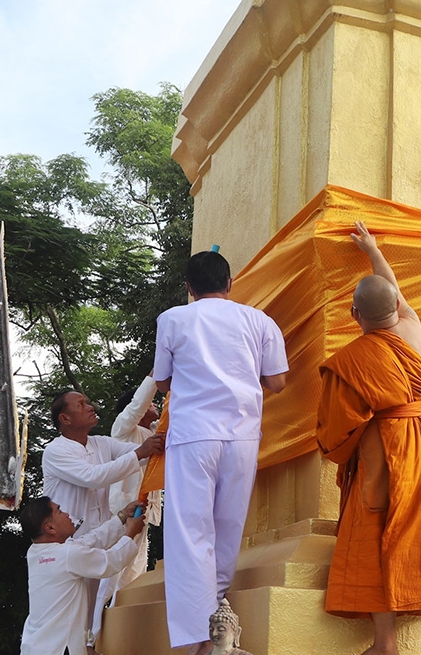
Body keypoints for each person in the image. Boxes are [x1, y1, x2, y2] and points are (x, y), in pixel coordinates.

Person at [316, 222, 421, 655]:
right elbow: (394, 292)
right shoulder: (412, 330)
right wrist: (373, 251)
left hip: (383, 447)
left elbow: (339, 427)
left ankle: (385, 644)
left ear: (354, 314)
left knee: (376, 531)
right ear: (397, 308)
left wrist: (340, 447)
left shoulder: (353, 358)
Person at [154, 250, 289, 655]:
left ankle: (196, 637)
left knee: (190, 534)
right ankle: (217, 624)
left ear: (188, 289)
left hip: (194, 434)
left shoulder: (173, 319)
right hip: (242, 433)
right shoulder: (259, 320)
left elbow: (162, 382)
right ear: (230, 284)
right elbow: (279, 381)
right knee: (228, 528)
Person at [42, 391, 165, 650]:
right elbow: (94, 477)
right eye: (82, 404)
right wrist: (141, 452)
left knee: (89, 619)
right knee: (64, 618)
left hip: (98, 538)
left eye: (89, 401)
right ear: (65, 418)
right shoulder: (56, 450)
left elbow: (138, 454)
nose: (91, 406)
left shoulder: (101, 444)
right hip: (65, 546)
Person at [19, 496, 146, 655]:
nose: (67, 514)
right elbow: (110, 562)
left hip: (36, 647)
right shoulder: (67, 554)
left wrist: (122, 516)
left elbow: (91, 540)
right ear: (50, 528)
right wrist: (130, 533)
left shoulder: (35, 553)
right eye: (59, 511)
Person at [107, 375, 165, 593]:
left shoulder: (153, 431)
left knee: (135, 572)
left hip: (145, 513)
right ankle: (96, 620)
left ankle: (123, 615)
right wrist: (154, 375)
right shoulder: (122, 430)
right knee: (114, 571)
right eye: (151, 402)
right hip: (124, 512)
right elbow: (138, 404)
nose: (155, 404)